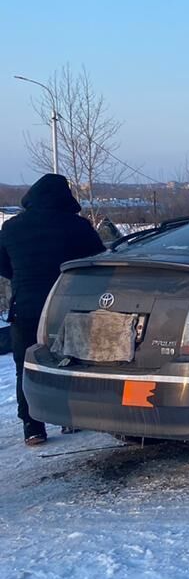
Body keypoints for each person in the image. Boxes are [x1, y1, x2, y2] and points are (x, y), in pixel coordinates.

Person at [0, 174, 104, 445]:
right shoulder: (78, 227)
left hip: (26, 308)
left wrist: (21, 277)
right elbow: (98, 263)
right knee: (69, 361)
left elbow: (1, 264)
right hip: (69, 308)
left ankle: (32, 427)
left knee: (26, 367)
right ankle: (69, 419)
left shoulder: (12, 228)